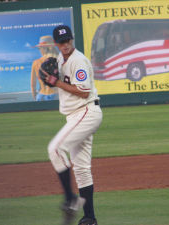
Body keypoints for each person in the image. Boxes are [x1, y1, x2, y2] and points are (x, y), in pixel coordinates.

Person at [46, 25, 102, 225]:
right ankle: (90, 218)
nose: (66, 44)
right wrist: (50, 79)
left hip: (86, 111)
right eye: (62, 42)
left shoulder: (78, 60)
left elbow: (84, 91)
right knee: (81, 169)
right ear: (57, 44)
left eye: (68, 40)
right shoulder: (61, 60)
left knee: (55, 149)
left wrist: (57, 82)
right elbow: (55, 81)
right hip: (76, 115)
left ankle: (70, 199)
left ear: (72, 39)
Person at [31, 35, 58, 101]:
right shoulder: (58, 60)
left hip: (41, 96)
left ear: (45, 48)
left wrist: (35, 96)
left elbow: (33, 84)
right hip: (55, 94)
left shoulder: (36, 63)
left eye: (40, 48)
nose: (40, 50)